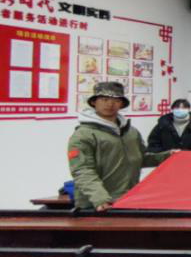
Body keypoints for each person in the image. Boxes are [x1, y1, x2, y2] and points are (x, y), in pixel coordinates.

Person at [68, 82, 174, 211]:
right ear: (94, 102)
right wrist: (100, 198)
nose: (110, 104)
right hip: (96, 206)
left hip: (128, 200)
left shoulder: (131, 132)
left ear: (122, 104)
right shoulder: (83, 135)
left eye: (116, 100)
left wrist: (168, 156)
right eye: (104, 99)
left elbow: (141, 158)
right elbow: (82, 171)